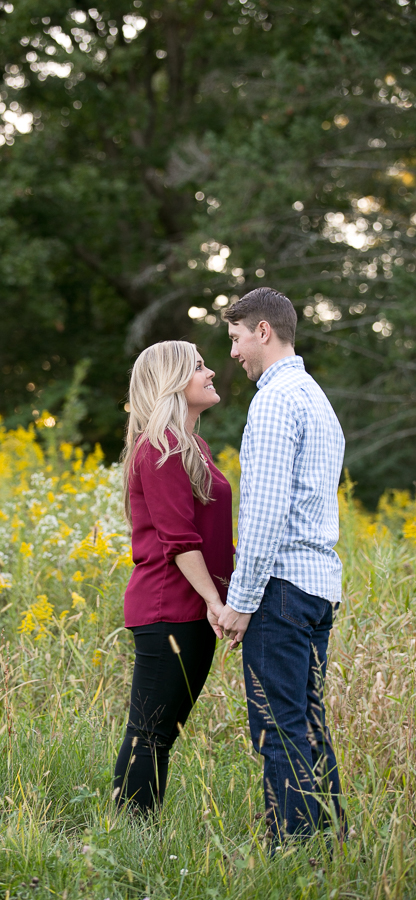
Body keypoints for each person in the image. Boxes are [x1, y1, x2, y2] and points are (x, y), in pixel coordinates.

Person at [215, 287, 345, 843]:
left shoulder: (273, 401)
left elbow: (265, 514)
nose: (235, 353)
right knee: (308, 723)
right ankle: (332, 842)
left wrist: (241, 603)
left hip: (283, 589)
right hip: (318, 587)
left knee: (278, 729)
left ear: (263, 331)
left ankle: (292, 854)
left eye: (237, 338)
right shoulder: (316, 397)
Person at [113, 340, 235, 813]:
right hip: (169, 608)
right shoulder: (159, 447)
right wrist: (215, 601)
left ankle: (133, 830)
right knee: (150, 733)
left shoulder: (192, 446)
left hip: (191, 608)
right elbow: (179, 540)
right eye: (198, 367)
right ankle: (129, 834)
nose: (209, 373)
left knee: (160, 732)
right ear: (172, 382)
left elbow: (208, 536)